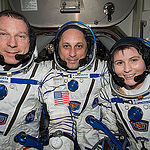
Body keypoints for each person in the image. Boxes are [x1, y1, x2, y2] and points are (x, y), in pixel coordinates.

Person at [39, 21, 109, 150]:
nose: (72, 54)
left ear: (88, 48)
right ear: (56, 47)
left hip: (92, 133)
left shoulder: (102, 70)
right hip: (58, 132)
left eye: (79, 46)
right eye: (66, 46)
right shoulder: (44, 71)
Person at [0, 10, 50, 149]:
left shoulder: (42, 74)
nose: (12, 43)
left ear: (30, 41)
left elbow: (61, 114)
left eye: (20, 36)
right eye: (3, 34)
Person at [96, 37, 150, 150]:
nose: (127, 69)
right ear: (112, 67)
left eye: (134, 60)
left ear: (146, 60)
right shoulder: (108, 94)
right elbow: (109, 129)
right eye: (119, 63)